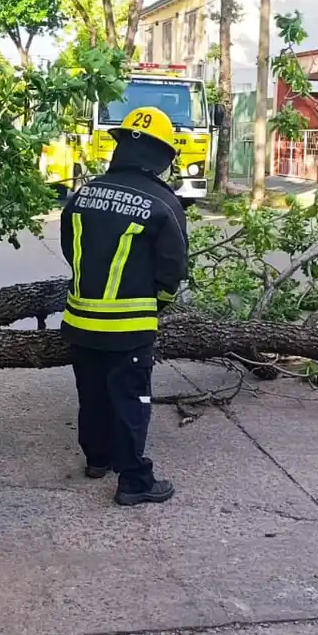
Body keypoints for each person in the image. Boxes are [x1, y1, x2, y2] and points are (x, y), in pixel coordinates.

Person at [59, 106, 189, 507]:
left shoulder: (83, 194)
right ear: (162, 156)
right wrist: (154, 305)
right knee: (131, 400)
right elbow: (172, 270)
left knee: (93, 394)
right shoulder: (164, 204)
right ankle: (133, 480)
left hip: (80, 319)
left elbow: (70, 248)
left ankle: (97, 459)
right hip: (129, 328)